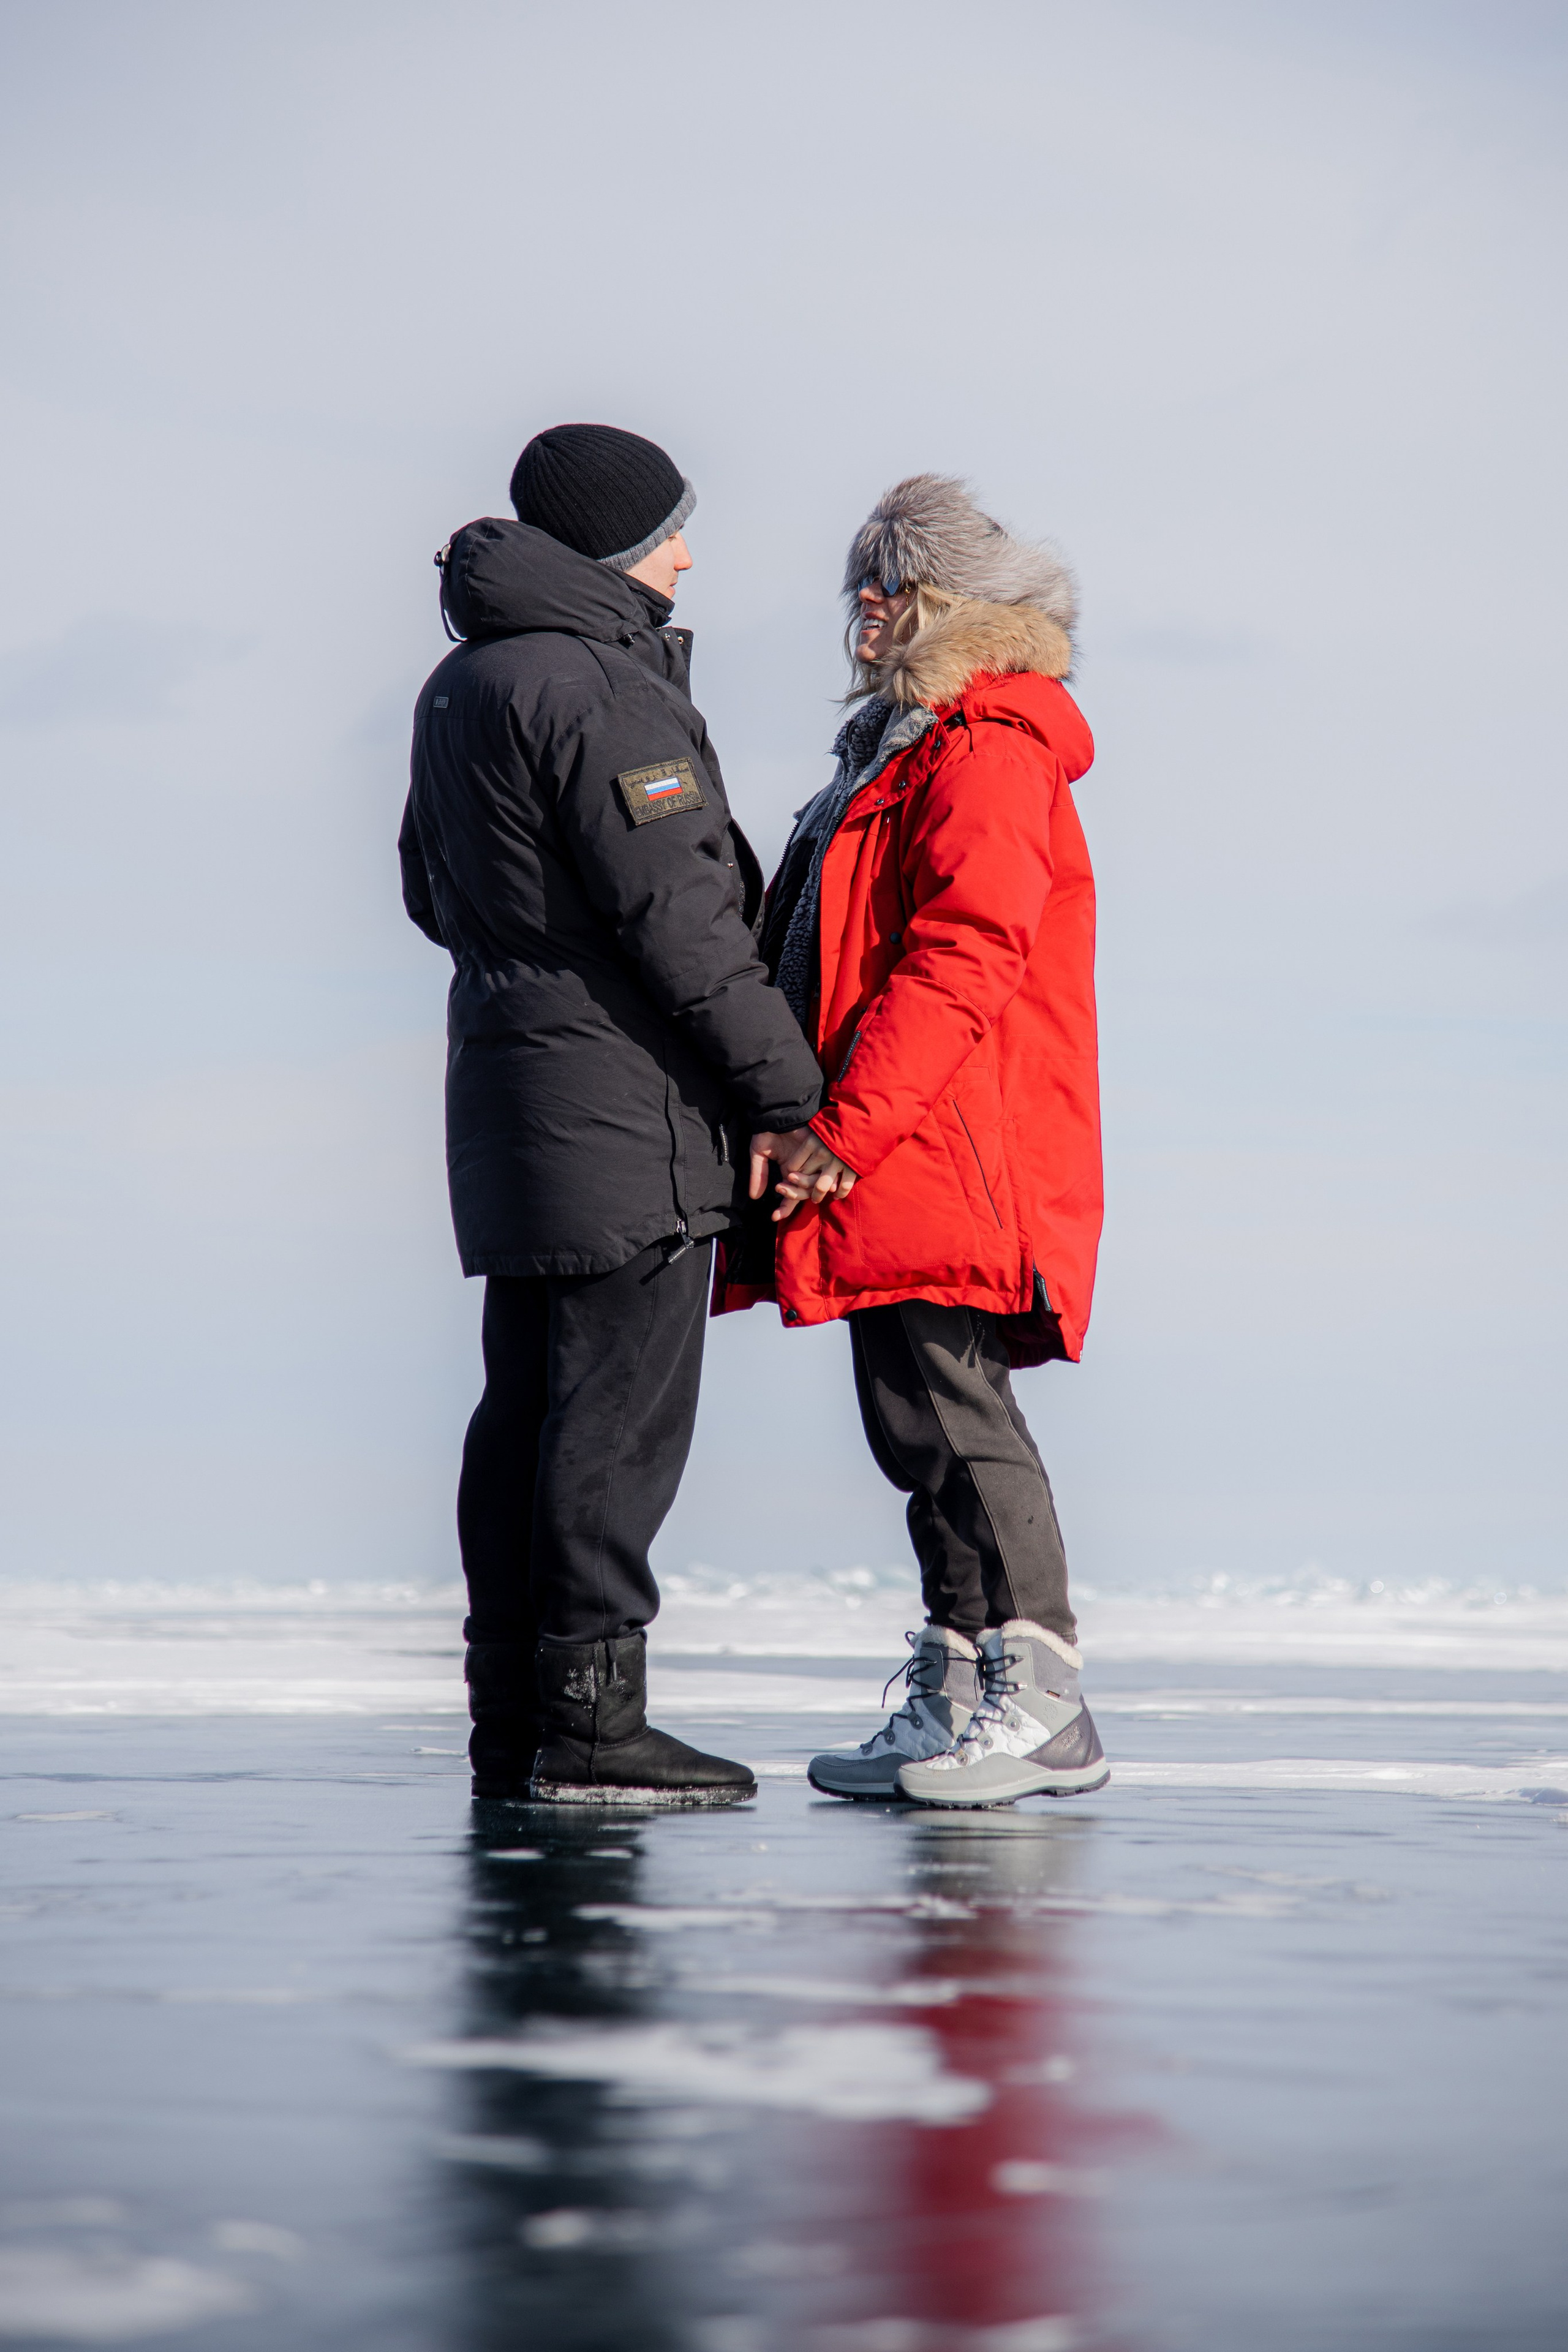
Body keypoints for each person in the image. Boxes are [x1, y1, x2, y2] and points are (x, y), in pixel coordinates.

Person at [399, 423, 823, 1805]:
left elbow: (427, 892)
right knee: (612, 1423)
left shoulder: (462, 684)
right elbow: (686, 918)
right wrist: (783, 1096)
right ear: (612, 549)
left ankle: (513, 1720)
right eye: (667, 534)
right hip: (623, 1108)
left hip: (509, 1094)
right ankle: (590, 1728)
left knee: (524, 1408)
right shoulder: (598, 688)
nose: (688, 556)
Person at [720, 475, 1110, 1807]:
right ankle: (955, 1686)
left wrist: (843, 1129)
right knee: (911, 1424)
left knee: (959, 1409)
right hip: (891, 1142)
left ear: (943, 601)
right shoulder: (893, 747)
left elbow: (963, 957)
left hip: (944, 1138)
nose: (862, 613)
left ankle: (1044, 1699)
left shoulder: (984, 749)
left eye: (884, 588)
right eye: (856, 590)